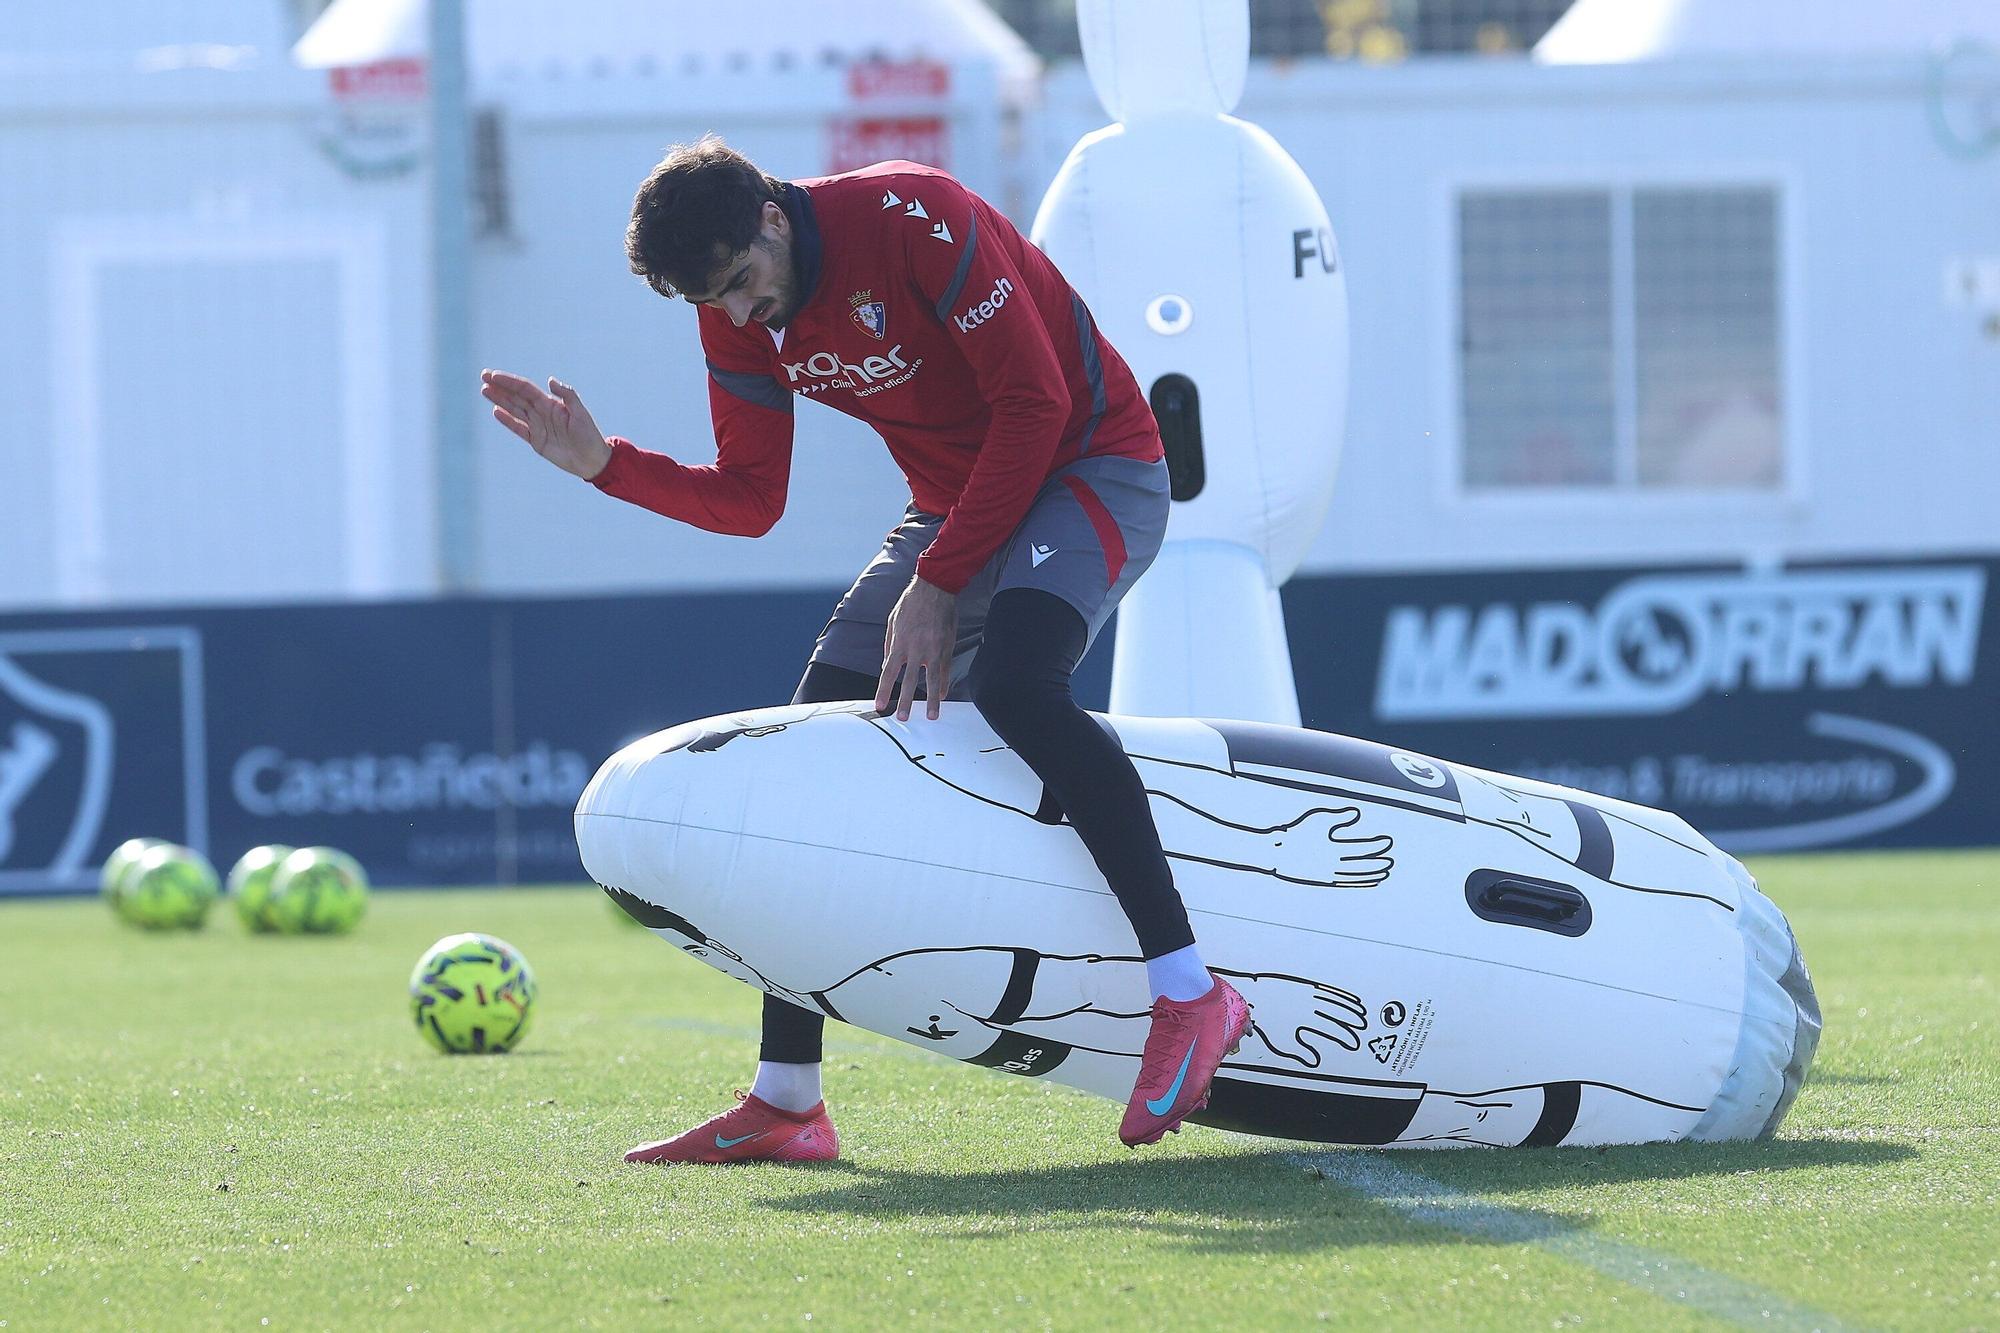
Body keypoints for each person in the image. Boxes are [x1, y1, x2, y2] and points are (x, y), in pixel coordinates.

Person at [480, 135, 1248, 1162]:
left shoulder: (912, 218)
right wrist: (605, 465)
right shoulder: (731, 307)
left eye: (747, 286)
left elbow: (1037, 405)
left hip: (1089, 464)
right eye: (721, 304)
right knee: (804, 751)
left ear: (767, 215)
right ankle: (788, 1098)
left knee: (1018, 685)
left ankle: (1188, 993)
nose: (747, 317)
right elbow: (752, 500)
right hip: (955, 509)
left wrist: (935, 582)